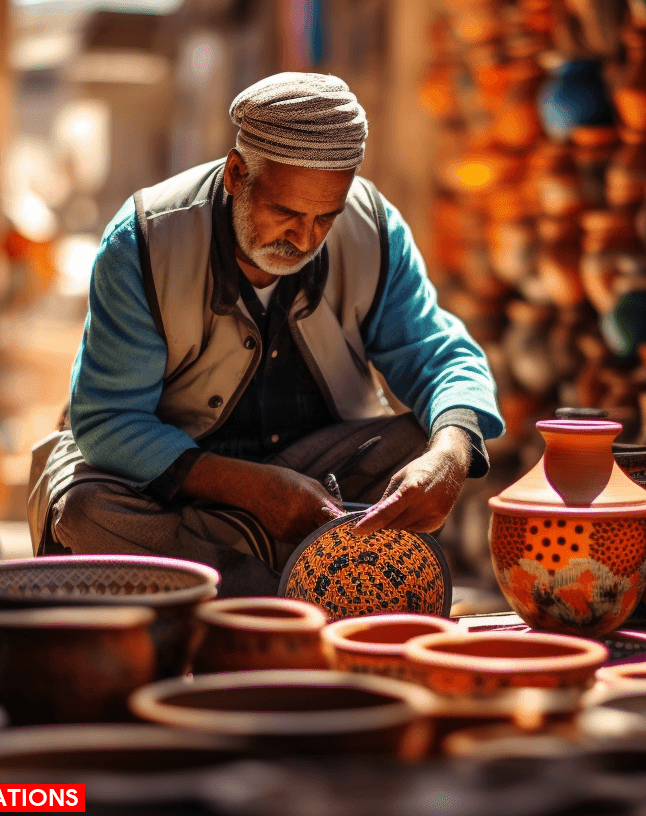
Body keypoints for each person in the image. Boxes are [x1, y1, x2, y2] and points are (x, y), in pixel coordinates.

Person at [28, 73, 503, 596]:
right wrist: (251, 490)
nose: (305, 238)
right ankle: (283, 596)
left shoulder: (373, 228)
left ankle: (243, 583)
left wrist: (451, 453)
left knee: (430, 435)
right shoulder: (145, 241)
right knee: (85, 510)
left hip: (316, 484)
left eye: (326, 217)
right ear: (236, 173)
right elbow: (108, 420)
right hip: (171, 485)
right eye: (285, 212)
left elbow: (442, 356)